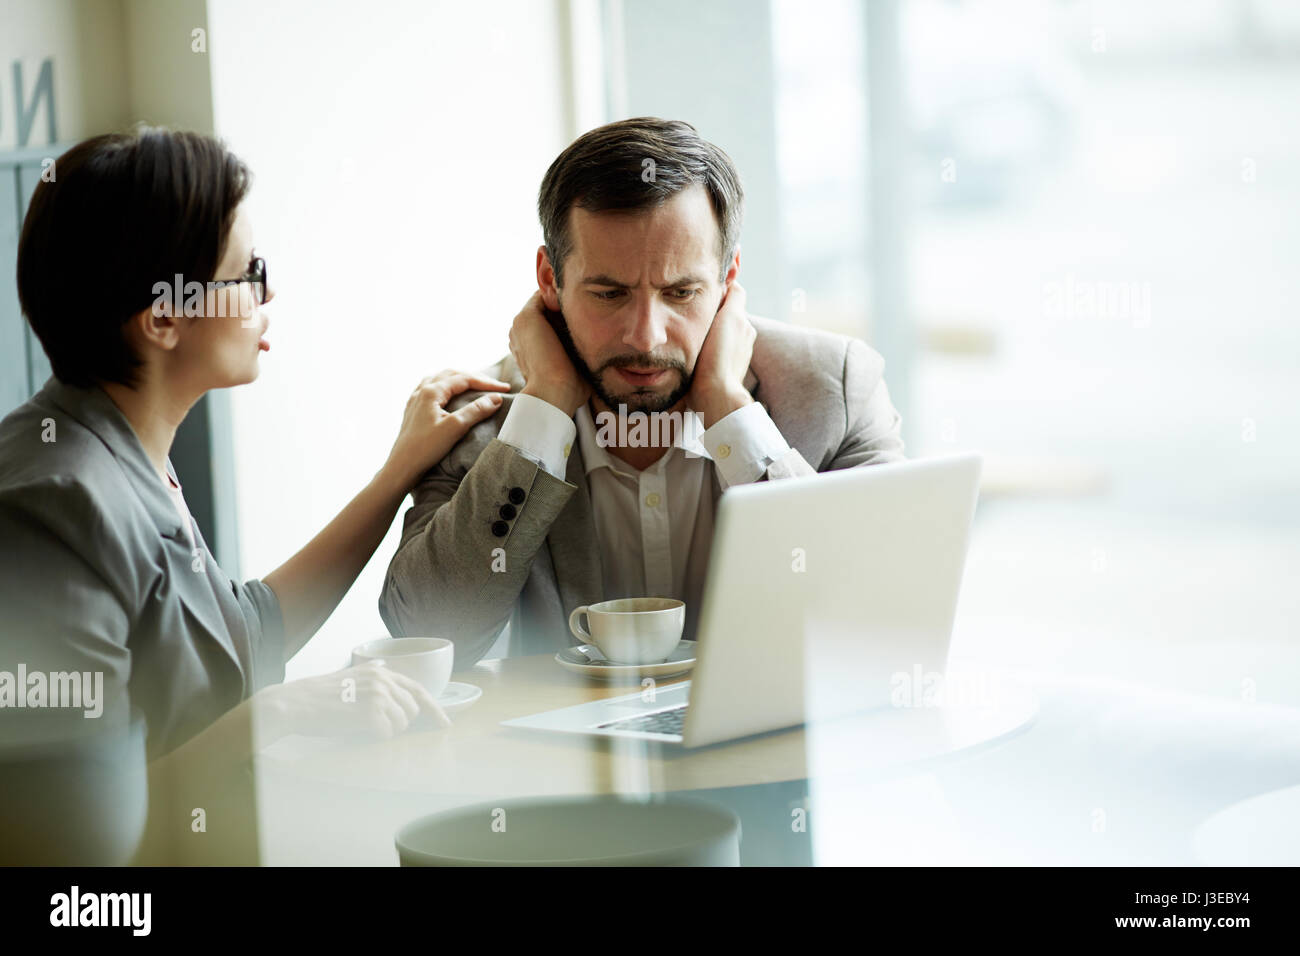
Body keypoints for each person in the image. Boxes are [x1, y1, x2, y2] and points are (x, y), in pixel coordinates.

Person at [0, 127, 508, 862]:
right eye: (250, 270)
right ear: (163, 318)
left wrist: (398, 473)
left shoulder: (121, 451)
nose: (269, 292)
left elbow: (247, 632)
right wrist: (278, 713)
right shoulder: (51, 508)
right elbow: (78, 843)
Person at [379, 117, 905, 666]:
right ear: (549, 278)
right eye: (609, 293)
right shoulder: (482, 423)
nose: (645, 337)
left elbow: (880, 618)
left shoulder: (834, 389)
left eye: (681, 292)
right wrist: (544, 410)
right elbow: (429, 633)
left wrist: (731, 412)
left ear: (728, 278)